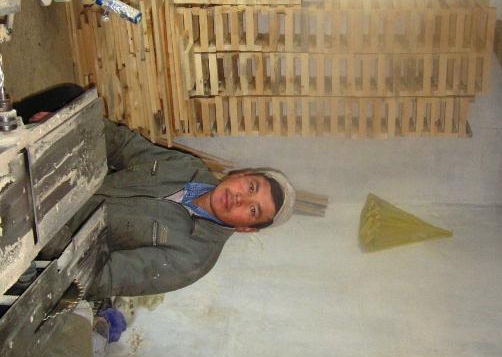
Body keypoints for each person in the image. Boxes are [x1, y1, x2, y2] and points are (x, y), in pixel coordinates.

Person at [17, 85, 296, 299]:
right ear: (242, 175)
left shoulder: (192, 260)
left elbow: (98, 276)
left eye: (252, 210)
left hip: (53, 237)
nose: (240, 198)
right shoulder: (190, 168)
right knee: (71, 100)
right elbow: (124, 146)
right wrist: (66, 129)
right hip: (71, 184)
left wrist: (46, 224)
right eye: (251, 187)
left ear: (246, 229)